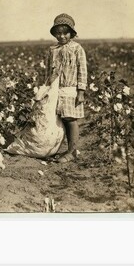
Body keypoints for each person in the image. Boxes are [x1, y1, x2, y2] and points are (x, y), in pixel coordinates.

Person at [46, 13, 87, 163]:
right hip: (56, 90)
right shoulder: (52, 50)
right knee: (61, 119)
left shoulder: (77, 48)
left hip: (71, 90)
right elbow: (48, 72)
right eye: (58, 33)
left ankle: (73, 151)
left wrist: (81, 91)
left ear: (72, 33)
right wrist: (47, 88)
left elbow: (82, 70)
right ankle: (66, 149)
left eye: (65, 33)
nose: (62, 36)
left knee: (70, 119)